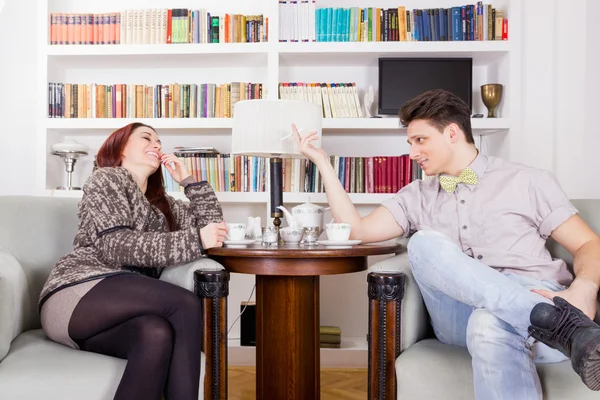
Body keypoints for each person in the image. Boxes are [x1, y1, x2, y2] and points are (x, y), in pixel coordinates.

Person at [293, 89, 600, 399]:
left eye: (420, 140)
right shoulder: (417, 195)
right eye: (410, 143)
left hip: (534, 293)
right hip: (459, 316)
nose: (412, 152)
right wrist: (323, 164)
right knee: (423, 244)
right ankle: (565, 327)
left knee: (488, 321)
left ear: (452, 133)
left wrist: (584, 288)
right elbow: (354, 229)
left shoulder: (528, 181)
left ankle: (548, 319)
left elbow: (588, 243)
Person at [39, 122, 228, 400]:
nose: (157, 145)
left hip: (114, 315)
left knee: (156, 333)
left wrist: (190, 183)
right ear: (121, 148)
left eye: (159, 142)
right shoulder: (106, 179)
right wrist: (196, 240)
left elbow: (214, 229)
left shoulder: (164, 206)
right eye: (146, 138)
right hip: (78, 294)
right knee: (184, 302)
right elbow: (116, 246)